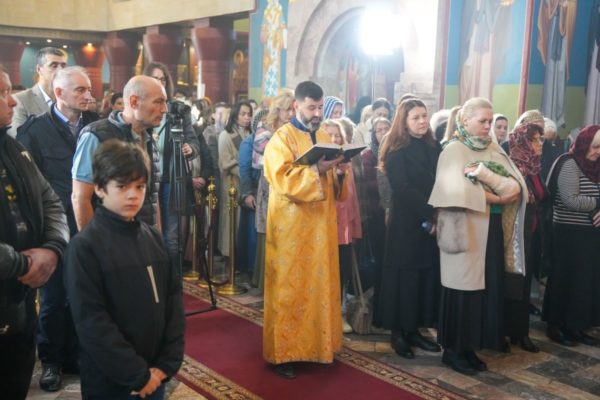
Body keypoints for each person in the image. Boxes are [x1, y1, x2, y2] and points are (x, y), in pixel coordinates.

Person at [65, 140, 184, 399]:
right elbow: (91, 321)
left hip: (155, 373)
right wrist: (136, 374)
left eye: (140, 186)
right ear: (99, 188)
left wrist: (167, 362)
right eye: (122, 186)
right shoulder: (86, 246)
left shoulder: (153, 238)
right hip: (112, 379)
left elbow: (173, 300)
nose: (133, 195)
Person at [429, 97, 527, 375]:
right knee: (461, 290)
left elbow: (515, 184)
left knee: (482, 291)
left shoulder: (493, 148)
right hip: (463, 228)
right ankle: (453, 350)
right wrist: (497, 196)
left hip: (491, 229)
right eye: (482, 121)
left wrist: (498, 187)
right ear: (465, 120)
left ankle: (470, 347)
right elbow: (454, 190)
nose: (488, 126)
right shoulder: (454, 149)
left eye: (490, 121)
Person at [16, 66, 97, 392]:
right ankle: (51, 360)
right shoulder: (34, 131)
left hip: (89, 223)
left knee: (83, 293)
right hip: (54, 228)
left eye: (89, 89)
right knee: (53, 297)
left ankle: (74, 356)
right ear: (59, 93)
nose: (88, 95)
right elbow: (29, 187)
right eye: (80, 90)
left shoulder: (96, 125)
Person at [262, 81, 347, 379]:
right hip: (291, 231)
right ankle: (283, 354)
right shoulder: (281, 139)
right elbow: (281, 179)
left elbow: (333, 187)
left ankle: (320, 347)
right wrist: (317, 171)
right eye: (311, 107)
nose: (317, 113)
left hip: (321, 229)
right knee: (290, 289)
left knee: (319, 286)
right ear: (296, 106)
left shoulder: (323, 136)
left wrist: (339, 172)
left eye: (320, 107)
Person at [0, 65, 69, 400]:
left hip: (19, 304)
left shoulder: (14, 149)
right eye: (2, 93)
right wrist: (23, 264)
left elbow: (51, 201)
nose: (13, 101)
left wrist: (53, 248)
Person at [376, 98, 442, 358]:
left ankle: (414, 330)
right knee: (404, 279)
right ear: (403, 122)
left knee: (423, 277)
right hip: (406, 223)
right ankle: (398, 333)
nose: (422, 121)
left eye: (424, 116)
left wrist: (438, 212)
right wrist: (431, 211)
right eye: (416, 117)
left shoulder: (434, 146)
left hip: (431, 221)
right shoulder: (396, 150)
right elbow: (402, 189)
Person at [72, 75, 165, 231]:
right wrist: (92, 243)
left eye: (165, 102)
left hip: (142, 237)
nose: (164, 109)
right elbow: (80, 198)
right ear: (134, 102)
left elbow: (153, 198)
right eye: (158, 101)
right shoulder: (96, 135)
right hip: (108, 237)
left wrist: (156, 237)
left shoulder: (149, 137)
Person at [543, 125, 600, 347]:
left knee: (583, 281)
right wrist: (597, 204)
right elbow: (570, 199)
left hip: (590, 234)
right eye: (595, 147)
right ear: (584, 143)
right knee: (564, 278)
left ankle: (576, 325)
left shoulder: (596, 166)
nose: (597, 152)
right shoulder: (569, 162)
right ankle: (556, 326)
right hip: (568, 232)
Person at [143, 62, 202, 273]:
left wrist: (189, 149)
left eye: (163, 79)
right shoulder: (142, 107)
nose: (160, 82)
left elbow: (194, 142)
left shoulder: (177, 110)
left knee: (172, 236)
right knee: (149, 233)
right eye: (155, 79)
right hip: (146, 180)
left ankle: (174, 281)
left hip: (171, 178)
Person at [505, 123, 546, 353]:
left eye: (540, 139)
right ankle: (511, 332)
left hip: (532, 232)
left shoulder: (534, 167)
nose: (539, 144)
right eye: (535, 140)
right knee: (513, 284)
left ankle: (520, 332)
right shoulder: (514, 166)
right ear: (523, 142)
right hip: (515, 233)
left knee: (524, 283)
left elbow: (541, 195)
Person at [250, 89, 294, 291]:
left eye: (293, 109)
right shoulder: (264, 128)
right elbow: (264, 157)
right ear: (278, 109)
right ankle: (267, 283)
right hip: (270, 184)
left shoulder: (294, 129)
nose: (290, 114)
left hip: (290, 184)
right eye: (287, 109)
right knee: (271, 230)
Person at [323, 119, 361, 333]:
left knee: (342, 272)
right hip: (326, 227)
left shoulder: (347, 165)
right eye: (329, 135)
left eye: (337, 135)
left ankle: (340, 313)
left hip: (344, 229)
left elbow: (352, 199)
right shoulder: (319, 166)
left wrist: (354, 227)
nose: (334, 139)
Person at [362, 116, 390, 327]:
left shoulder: (394, 151)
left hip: (393, 214)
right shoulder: (369, 155)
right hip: (376, 215)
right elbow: (368, 185)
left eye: (386, 128)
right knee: (380, 261)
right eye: (379, 130)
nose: (383, 133)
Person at [217, 101, 252, 259]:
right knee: (231, 220)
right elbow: (226, 162)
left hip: (248, 184)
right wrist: (246, 173)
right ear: (235, 115)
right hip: (233, 183)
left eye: (249, 114)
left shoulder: (251, 134)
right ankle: (229, 255)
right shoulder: (226, 135)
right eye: (243, 114)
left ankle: (243, 256)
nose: (247, 117)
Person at [8, 47, 67, 137]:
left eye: (63, 66)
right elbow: (18, 138)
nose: (60, 70)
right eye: (54, 65)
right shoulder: (20, 100)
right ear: (39, 69)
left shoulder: (67, 100)